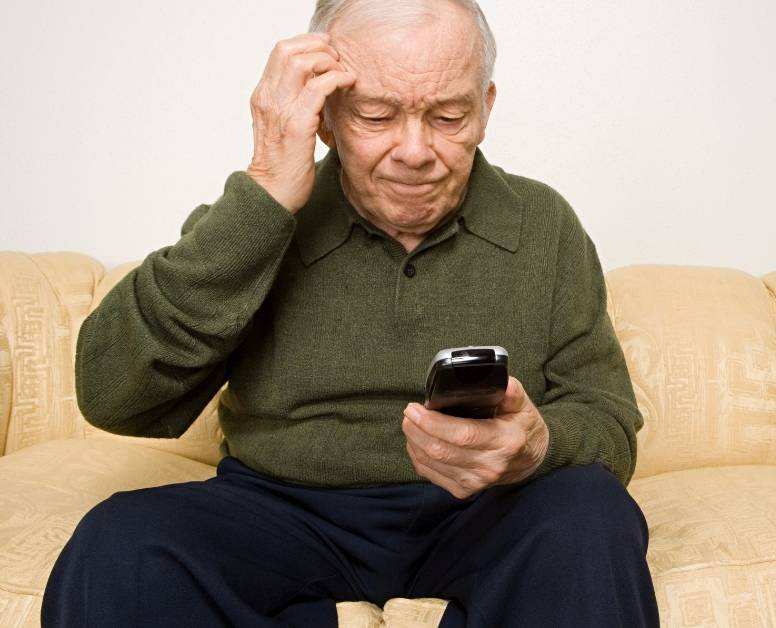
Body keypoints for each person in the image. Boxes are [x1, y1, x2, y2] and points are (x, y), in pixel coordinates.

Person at [41, 0, 658, 626]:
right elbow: (110, 393)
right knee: (122, 545)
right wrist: (264, 192)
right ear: (326, 117)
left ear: (486, 110)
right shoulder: (260, 219)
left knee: (592, 512)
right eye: (375, 114)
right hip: (283, 510)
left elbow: (607, 421)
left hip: (485, 511)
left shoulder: (544, 223)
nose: (414, 151)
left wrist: (537, 445)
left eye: (448, 115)